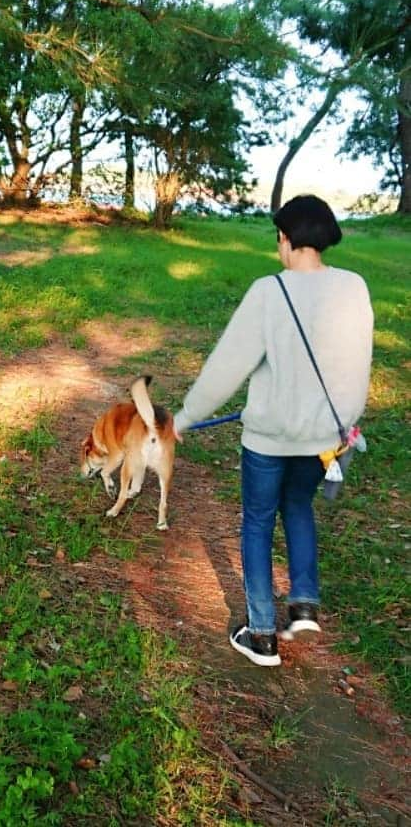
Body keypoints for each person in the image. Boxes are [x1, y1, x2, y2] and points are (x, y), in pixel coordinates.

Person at [173, 195, 373, 666]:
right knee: (298, 506)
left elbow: (227, 367)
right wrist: (344, 422)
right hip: (324, 438)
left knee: (258, 523)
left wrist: (185, 417)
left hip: (267, 440)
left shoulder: (269, 291)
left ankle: (261, 633)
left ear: (285, 238)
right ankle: (303, 603)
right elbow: (357, 364)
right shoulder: (354, 288)